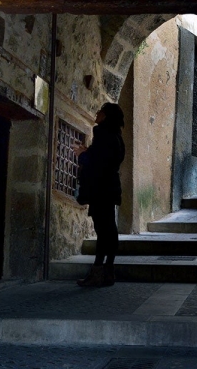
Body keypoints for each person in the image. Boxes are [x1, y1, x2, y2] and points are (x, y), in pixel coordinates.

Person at [73, 102, 125, 287]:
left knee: (103, 231)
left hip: (100, 189)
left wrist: (81, 154)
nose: (97, 113)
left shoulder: (102, 133)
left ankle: (97, 272)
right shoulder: (117, 137)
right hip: (110, 188)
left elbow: (96, 163)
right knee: (109, 230)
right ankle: (107, 271)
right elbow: (106, 160)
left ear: (106, 116)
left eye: (100, 111)